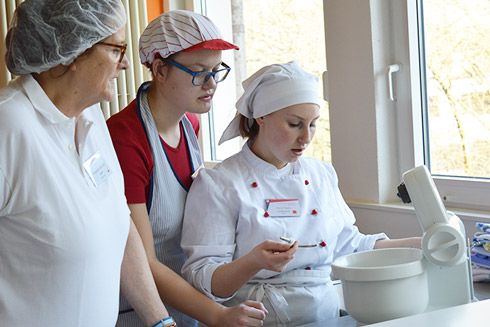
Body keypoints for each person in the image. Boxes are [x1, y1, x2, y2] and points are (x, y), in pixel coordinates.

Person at [180, 61, 422, 326]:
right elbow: (205, 280)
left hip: (324, 316)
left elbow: (350, 245)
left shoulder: (321, 175)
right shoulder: (219, 184)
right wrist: (253, 262)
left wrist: (422, 244)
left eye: (313, 124)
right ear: (261, 116)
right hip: (257, 319)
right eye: (295, 124)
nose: (306, 137)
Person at [0, 1, 175, 326]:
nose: (125, 63)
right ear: (70, 55)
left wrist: (160, 321)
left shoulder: (89, 113)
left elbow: (119, 224)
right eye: (116, 48)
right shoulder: (7, 127)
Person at [107, 10, 267, 327]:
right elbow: (143, 261)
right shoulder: (125, 139)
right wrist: (218, 315)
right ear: (160, 69)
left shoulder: (189, 123)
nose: (211, 84)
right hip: (142, 312)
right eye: (197, 72)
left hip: (189, 303)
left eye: (216, 70)